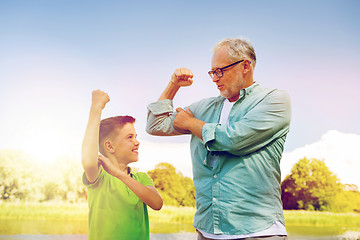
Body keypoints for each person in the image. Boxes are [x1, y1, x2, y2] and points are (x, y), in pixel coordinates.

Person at [146, 37, 291, 240]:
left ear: (245, 66)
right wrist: (173, 86)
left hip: (259, 232)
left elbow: (234, 140)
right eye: (212, 72)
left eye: (220, 71)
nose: (215, 78)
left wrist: (191, 124)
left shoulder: (274, 100)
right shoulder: (203, 108)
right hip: (207, 231)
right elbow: (155, 125)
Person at [82, 90, 163, 240]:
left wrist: (120, 174)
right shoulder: (99, 177)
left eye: (136, 137)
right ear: (110, 146)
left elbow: (157, 203)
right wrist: (96, 108)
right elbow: (88, 158)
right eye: (129, 137)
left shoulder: (141, 178)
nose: (137, 142)